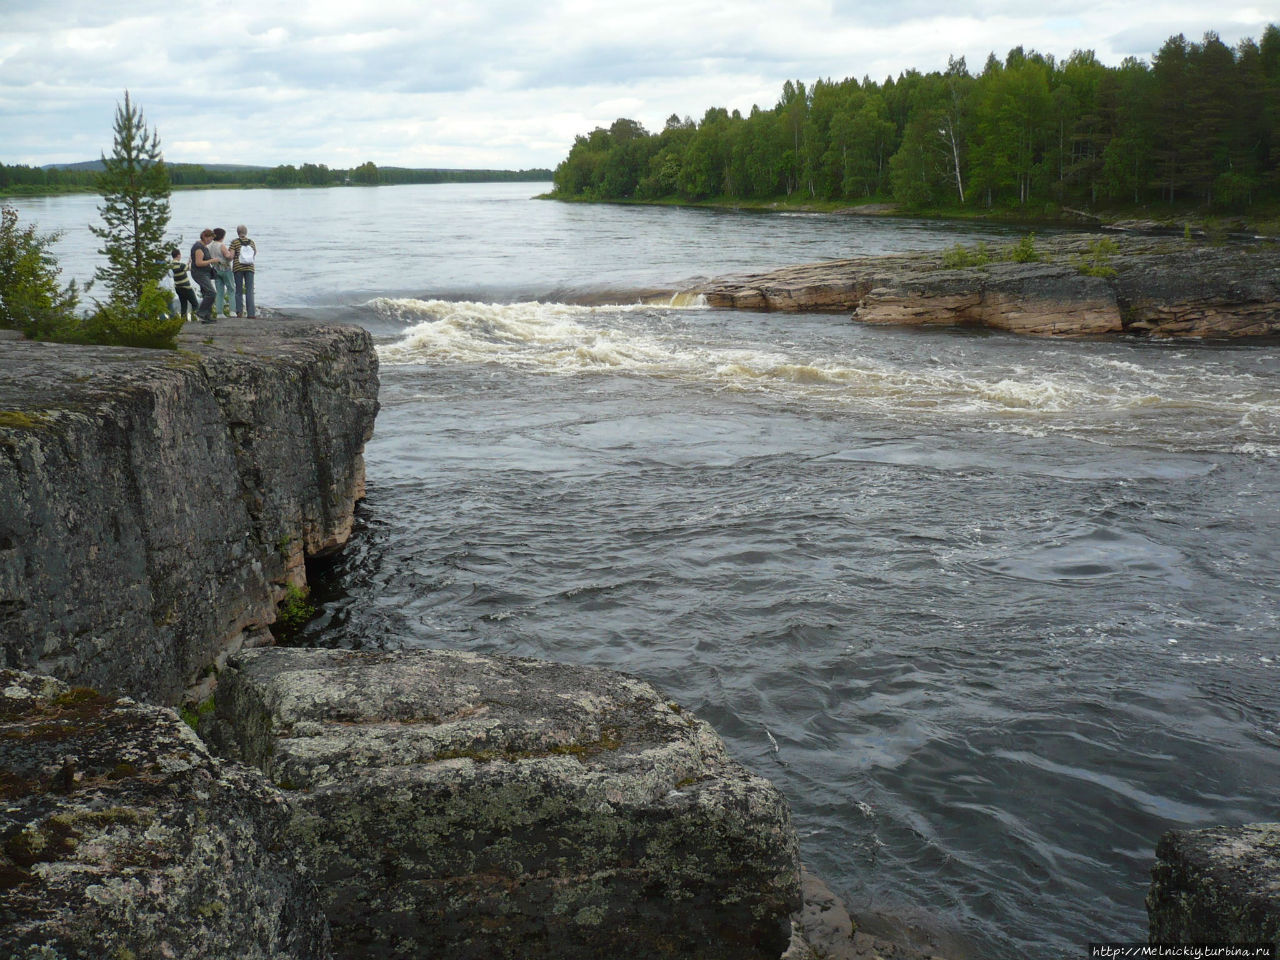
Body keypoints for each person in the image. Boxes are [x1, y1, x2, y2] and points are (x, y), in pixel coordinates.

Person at [229, 224, 257, 318]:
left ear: (238, 232)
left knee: (239, 291)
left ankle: (239, 312)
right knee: (249, 290)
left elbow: (231, 256)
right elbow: (254, 253)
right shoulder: (251, 242)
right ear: (246, 232)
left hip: (238, 268)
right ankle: (251, 313)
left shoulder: (235, 242)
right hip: (250, 268)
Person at [190, 229, 218, 323]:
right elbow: (198, 263)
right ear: (205, 237)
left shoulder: (204, 246)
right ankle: (201, 312)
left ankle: (207, 316)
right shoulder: (198, 247)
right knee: (211, 293)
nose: (211, 241)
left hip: (204, 273)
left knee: (206, 293)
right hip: (199, 273)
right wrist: (211, 261)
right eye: (210, 239)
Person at [168, 248, 199, 321]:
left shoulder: (171, 266)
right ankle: (194, 319)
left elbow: (183, 269)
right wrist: (191, 262)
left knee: (183, 305)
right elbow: (189, 268)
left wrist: (188, 262)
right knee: (195, 304)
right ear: (178, 255)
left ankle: (183, 321)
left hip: (178, 287)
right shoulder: (181, 265)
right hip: (186, 288)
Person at [210, 227, 233, 318]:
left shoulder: (210, 246)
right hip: (225, 269)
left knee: (219, 291)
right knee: (231, 289)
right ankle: (232, 311)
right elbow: (228, 256)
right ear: (222, 236)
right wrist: (231, 253)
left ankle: (219, 312)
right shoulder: (221, 245)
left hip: (215, 269)